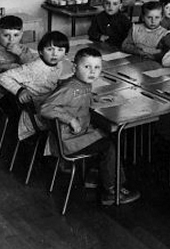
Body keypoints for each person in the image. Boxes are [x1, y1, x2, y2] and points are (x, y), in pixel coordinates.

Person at [40, 47, 140, 206]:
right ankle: (112, 190)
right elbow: (45, 107)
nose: (92, 71)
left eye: (97, 67)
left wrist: (94, 100)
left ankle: (94, 176)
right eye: (87, 67)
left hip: (76, 135)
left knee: (107, 134)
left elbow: (77, 101)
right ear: (74, 68)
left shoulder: (80, 84)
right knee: (108, 146)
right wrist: (70, 119)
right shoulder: (70, 88)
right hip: (70, 140)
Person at [0, 31, 70, 142]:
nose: (55, 54)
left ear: (65, 55)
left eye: (60, 50)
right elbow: (3, 77)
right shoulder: (34, 68)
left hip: (47, 103)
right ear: (40, 52)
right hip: (37, 115)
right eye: (50, 49)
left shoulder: (58, 63)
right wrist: (20, 90)